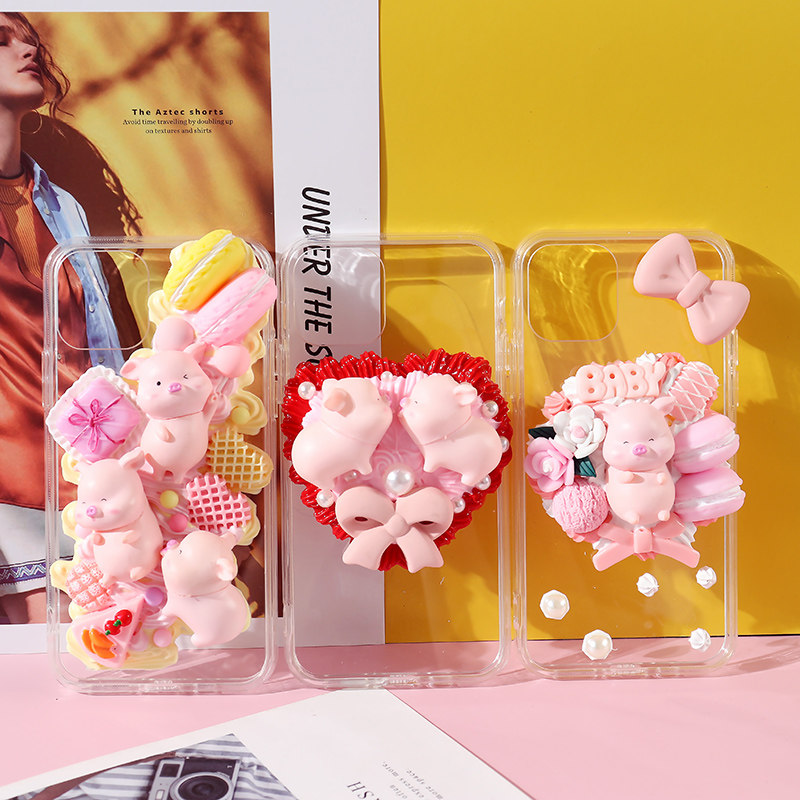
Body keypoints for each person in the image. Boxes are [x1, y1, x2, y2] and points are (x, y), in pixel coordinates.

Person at [0, 13, 131, 623]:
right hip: (10, 481)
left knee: (94, 647)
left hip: (84, 474)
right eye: (1, 40)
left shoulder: (62, 205)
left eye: (28, 38)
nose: (27, 48)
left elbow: (99, 345)